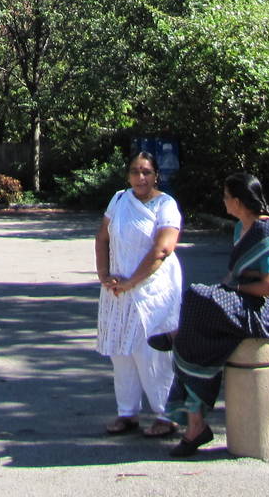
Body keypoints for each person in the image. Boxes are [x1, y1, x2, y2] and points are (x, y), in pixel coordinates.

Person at [150, 171, 269, 457]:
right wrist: (228, 290)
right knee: (197, 309)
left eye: (226, 196)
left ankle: (194, 423)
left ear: (238, 200)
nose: (223, 201)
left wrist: (236, 288)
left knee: (196, 300)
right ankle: (195, 423)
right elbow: (233, 278)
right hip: (248, 299)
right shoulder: (240, 229)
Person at [94, 151, 183, 437]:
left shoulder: (165, 205)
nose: (140, 177)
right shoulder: (120, 199)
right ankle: (127, 413)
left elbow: (163, 248)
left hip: (153, 290)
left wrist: (133, 281)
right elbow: (102, 237)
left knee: (151, 353)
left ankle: (165, 414)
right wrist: (104, 275)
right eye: (135, 171)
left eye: (146, 172)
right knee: (121, 350)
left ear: (156, 175)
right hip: (118, 289)